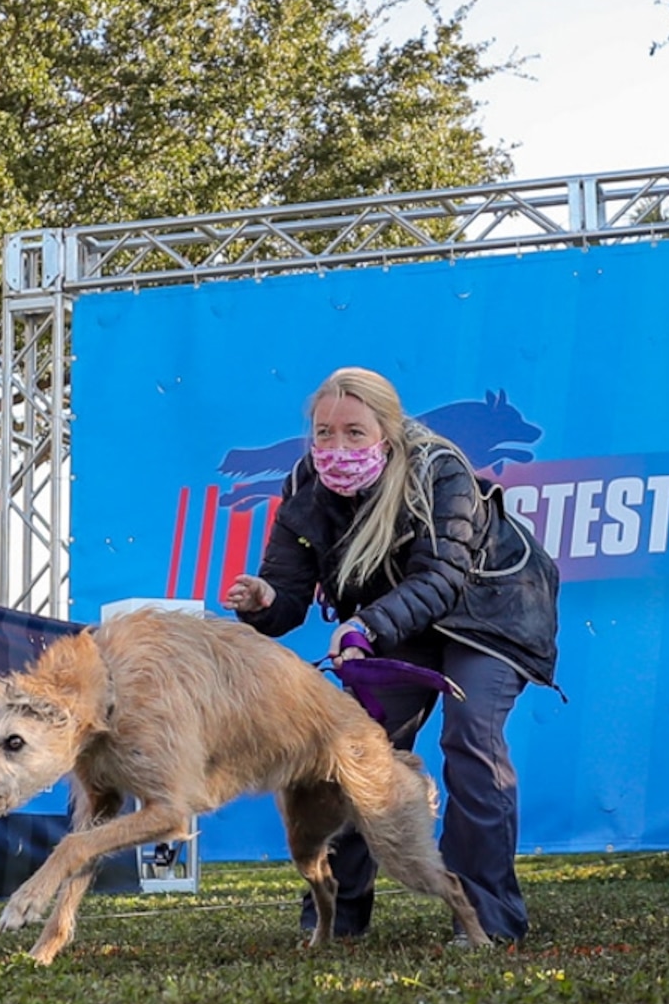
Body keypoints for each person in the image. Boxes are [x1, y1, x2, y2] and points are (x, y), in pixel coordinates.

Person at [223, 365, 558, 945]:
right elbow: (288, 595)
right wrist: (264, 600)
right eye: (324, 433)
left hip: (489, 612)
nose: (336, 447)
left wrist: (365, 625)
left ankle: (488, 920)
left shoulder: (439, 470)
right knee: (357, 752)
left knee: (471, 737)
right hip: (395, 624)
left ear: (389, 430)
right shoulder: (306, 485)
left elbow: (442, 577)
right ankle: (337, 921)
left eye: (354, 432)